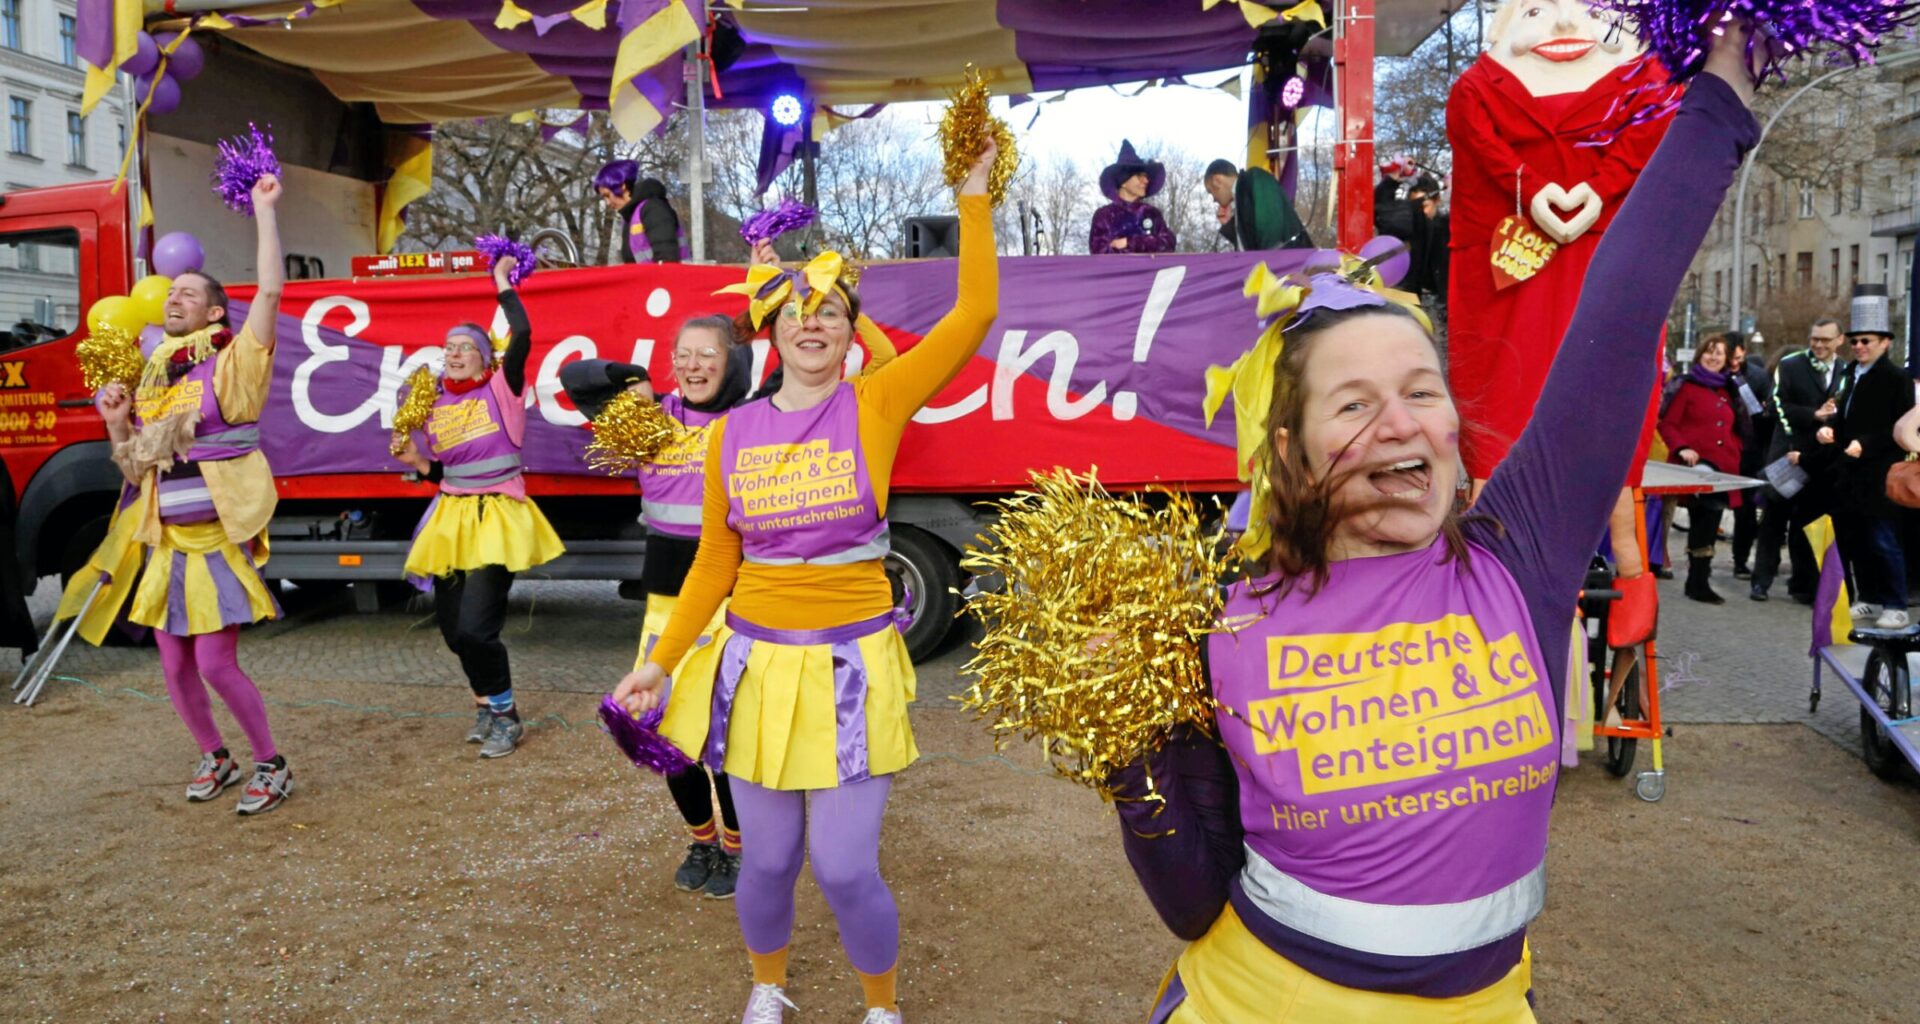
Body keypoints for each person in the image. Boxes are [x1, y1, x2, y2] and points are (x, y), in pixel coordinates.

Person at [1109, 36, 1756, 1023]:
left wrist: (1722, 94)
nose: (1403, 421)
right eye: (1355, 403)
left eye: (1422, 389)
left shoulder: (1520, 555)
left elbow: (1619, 312)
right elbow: (1194, 896)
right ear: (1286, 452)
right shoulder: (1219, 616)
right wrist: (1130, 745)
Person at [613, 139, 999, 1024]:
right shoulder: (733, 434)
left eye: (829, 309)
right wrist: (663, 662)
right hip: (757, 666)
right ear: (772, 330)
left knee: (848, 865)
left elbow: (973, 312)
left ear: (847, 327)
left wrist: (972, 198)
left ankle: (881, 1007)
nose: (812, 322)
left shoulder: (877, 402)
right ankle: (767, 985)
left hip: (853, 663)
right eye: (796, 311)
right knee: (771, 861)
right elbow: (716, 559)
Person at [94, 173, 293, 814]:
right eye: (169, 292)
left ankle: (272, 764)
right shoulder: (156, 382)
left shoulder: (233, 364)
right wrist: (119, 422)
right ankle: (216, 755)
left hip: (215, 544)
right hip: (169, 546)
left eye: (187, 292)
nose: (172, 297)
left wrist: (264, 211)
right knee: (174, 665)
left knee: (213, 663)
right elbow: (138, 474)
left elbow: (269, 289)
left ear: (212, 313)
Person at [560, 318, 755, 899]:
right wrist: (637, 382)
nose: (694, 366)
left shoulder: (751, 419)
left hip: (734, 597)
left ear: (732, 361)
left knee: (729, 736)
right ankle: (703, 840)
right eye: (683, 356)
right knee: (670, 733)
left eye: (708, 355)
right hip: (667, 596)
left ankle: (741, 852)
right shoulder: (650, 416)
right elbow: (577, 379)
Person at [393, 254, 565, 758]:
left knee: (476, 627)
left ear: (486, 358)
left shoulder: (501, 388)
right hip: (451, 517)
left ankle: (507, 717)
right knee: (451, 632)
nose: (454, 352)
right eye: (448, 346)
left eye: (465, 346)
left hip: (498, 518)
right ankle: (485, 703)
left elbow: (525, 334)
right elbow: (447, 473)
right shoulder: (433, 402)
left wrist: (501, 283)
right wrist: (421, 464)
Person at [1817, 284, 1913, 629]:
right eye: (1855, 340)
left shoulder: (1895, 378)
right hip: (1850, 472)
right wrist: (1829, 430)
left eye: (1866, 341)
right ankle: (1869, 598)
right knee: (1856, 540)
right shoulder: (1848, 374)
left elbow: (1902, 427)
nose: (1859, 346)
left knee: (1884, 540)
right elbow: (1846, 415)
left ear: (1885, 342)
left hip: (1881, 472)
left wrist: (1866, 444)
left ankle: (1896, 603)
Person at [1751, 318, 1844, 602]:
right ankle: (1761, 581)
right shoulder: (1791, 365)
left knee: (1809, 522)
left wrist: (1834, 422)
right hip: (1788, 455)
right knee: (1774, 520)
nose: (1818, 344)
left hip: (1819, 458)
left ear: (1839, 341)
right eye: (1815, 338)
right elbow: (1776, 404)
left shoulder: (1846, 371)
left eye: (1825, 340)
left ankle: (1802, 583)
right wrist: (1812, 415)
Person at [1658, 333, 1750, 604]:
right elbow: (1668, 423)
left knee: (1710, 524)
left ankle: (1699, 580)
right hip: (1695, 467)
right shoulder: (1686, 387)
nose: (1713, 357)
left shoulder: (1728, 389)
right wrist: (1681, 448)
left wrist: (1737, 449)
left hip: (1723, 468)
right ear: (1700, 355)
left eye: (1719, 353)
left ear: (1727, 359)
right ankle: (1697, 582)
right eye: (1709, 351)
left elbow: (1737, 426)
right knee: (1704, 522)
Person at [1728, 336, 1775, 577]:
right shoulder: (1718, 375)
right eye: (1730, 358)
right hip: (1726, 449)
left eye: (1737, 357)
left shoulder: (1757, 377)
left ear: (1744, 353)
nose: (1733, 363)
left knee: (1745, 512)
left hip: (1750, 450)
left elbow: (1765, 413)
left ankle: (1740, 560)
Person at [1090, 140, 1176, 255]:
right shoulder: (1104, 216)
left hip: (1150, 273)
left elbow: (1167, 243)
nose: (1146, 181)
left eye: (1146, 177)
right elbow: (1099, 254)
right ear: (1123, 182)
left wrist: (1129, 242)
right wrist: (1149, 245)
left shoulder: (1152, 214)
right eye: (1139, 176)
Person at [1205, 159, 1311, 252]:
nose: (1214, 199)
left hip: (1288, 263)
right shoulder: (1241, 198)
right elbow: (1248, 245)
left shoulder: (1255, 178)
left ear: (1217, 181)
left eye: (1210, 192)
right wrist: (1230, 225)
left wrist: (1267, 262)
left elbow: (1270, 226)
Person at [594, 159, 686, 264]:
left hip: (666, 279)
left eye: (607, 195)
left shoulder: (654, 209)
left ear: (622, 186)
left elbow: (667, 257)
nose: (607, 202)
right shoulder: (630, 217)